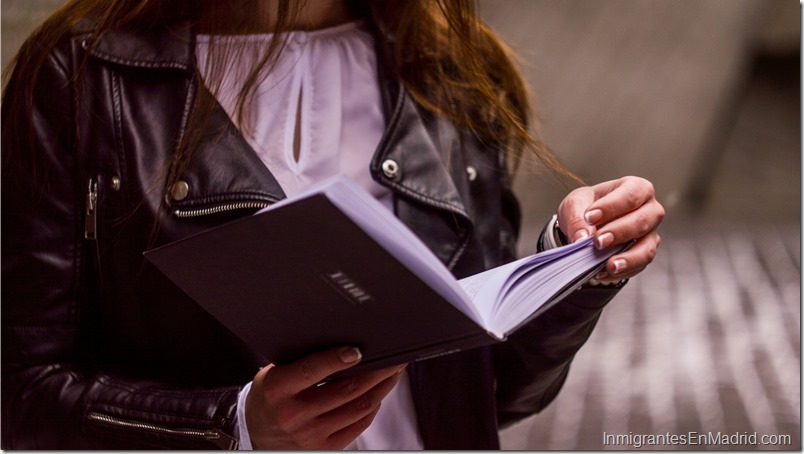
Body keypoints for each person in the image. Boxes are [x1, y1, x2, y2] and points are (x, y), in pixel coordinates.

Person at [1, 0, 664, 449]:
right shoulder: (81, 75)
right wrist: (233, 428)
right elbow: (23, 390)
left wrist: (573, 262)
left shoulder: (448, 68)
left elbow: (491, 392)